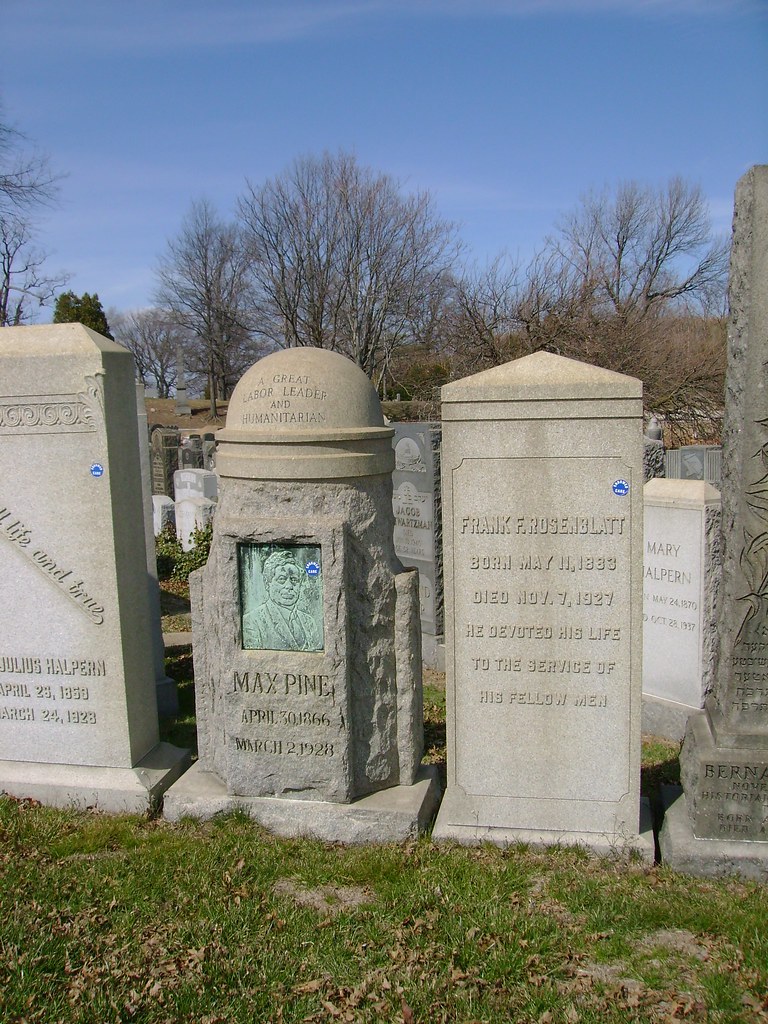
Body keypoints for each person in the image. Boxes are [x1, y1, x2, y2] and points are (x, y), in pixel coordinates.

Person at [242, 549, 322, 651]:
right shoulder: (252, 621)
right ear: (267, 583)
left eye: (294, 579)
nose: (289, 586)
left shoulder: (309, 622)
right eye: (282, 579)